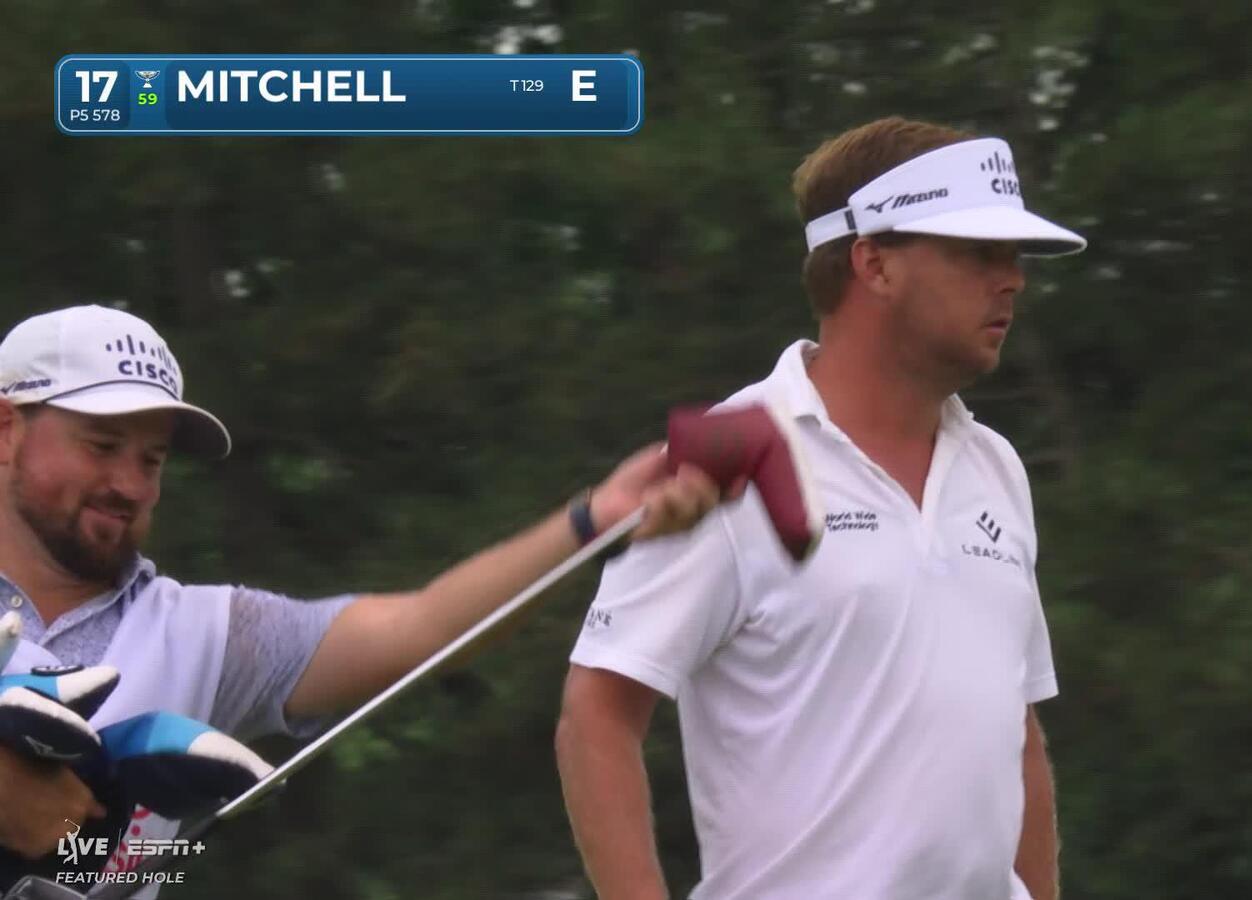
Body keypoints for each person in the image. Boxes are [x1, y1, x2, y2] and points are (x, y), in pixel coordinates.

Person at [0, 304, 724, 885]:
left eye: (150, 459)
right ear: (7, 430)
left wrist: (593, 519)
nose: (129, 484)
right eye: (101, 446)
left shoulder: (206, 634)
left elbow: (421, 627)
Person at [555, 116, 1087, 900]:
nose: (1011, 278)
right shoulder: (729, 461)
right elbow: (596, 715)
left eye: (1013, 256)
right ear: (873, 262)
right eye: (979, 252)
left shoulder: (997, 467)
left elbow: (1018, 739)